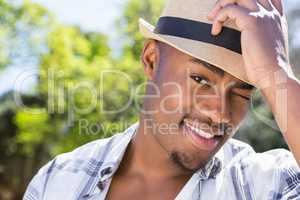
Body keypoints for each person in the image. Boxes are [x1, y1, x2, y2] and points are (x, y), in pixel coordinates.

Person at [24, 0, 300, 199]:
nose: (219, 113)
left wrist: (276, 74)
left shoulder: (261, 185)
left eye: (242, 92)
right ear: (151, 60)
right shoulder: (58, 180)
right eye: (200, 79)